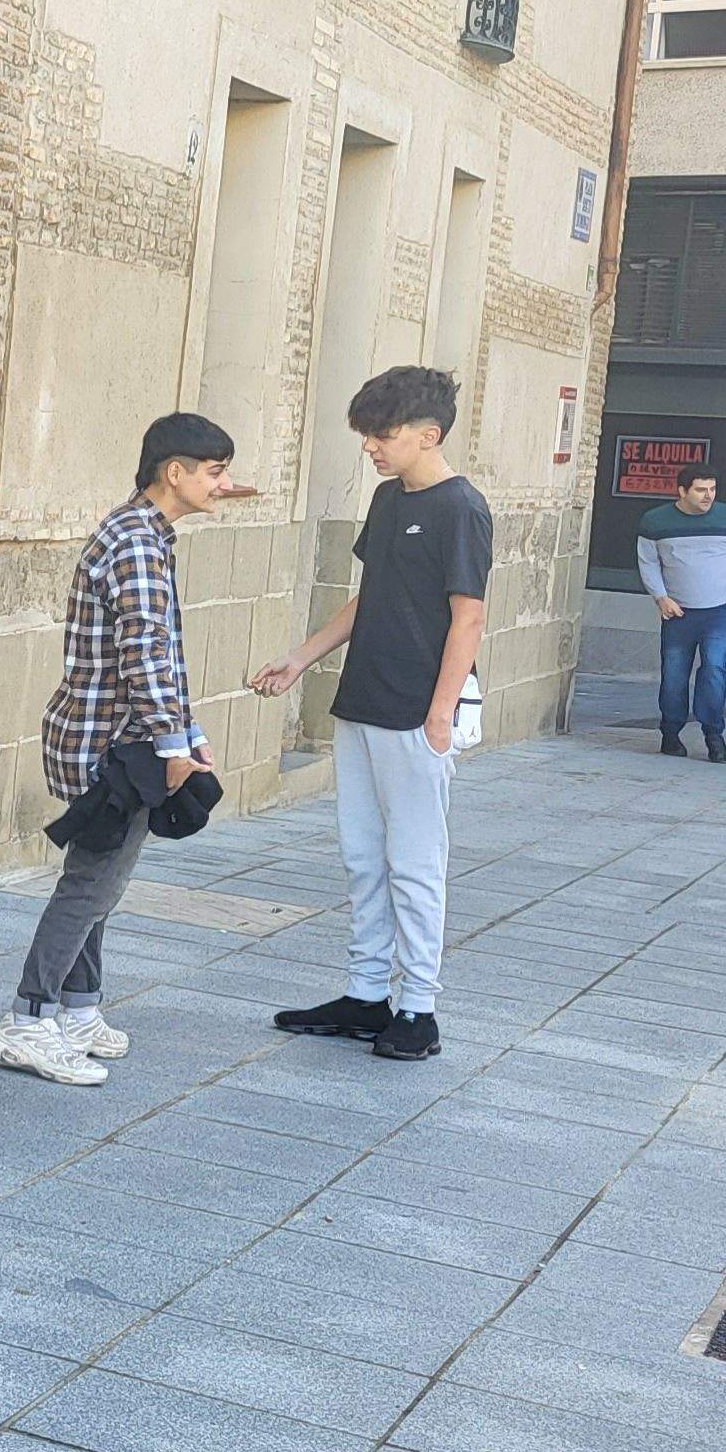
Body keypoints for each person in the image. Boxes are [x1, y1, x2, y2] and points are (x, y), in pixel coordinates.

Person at [0, 414, 238, 1088]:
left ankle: (75, 1010)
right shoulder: (135, 542)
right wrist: (172, 745)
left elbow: (163, 651)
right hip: (115, 745)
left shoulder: (143, 533)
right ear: (175, 472)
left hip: (121, 739)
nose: (223, 485)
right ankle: (27, 1017)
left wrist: (186, 733)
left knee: (101, 881)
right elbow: (144, 655)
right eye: (214, 472)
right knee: (93, 883)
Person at [251, 366, 487, 1064]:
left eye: (382, 436)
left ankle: (418, 1008)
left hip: (417, 713)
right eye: (367, 436)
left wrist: (440, 711)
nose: (372, 448)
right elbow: (371, 594)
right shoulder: (388, 501)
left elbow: (467, 616)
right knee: (362, 857)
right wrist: (301, 657)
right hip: (361, 701)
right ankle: (364, 995)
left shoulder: (462, 508)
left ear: (427, 434)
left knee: (415, 862)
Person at [634, 469, 726, 763]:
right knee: (674, 673)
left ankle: (713, 734)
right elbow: (648, 562)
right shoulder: (655, 521)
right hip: (679, 610)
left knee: (715, 669)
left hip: (722, 608)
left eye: (712, 489)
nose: (708, 496)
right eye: (700, 490)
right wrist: (660, 597)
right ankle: (670, 731)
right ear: (681, 491)